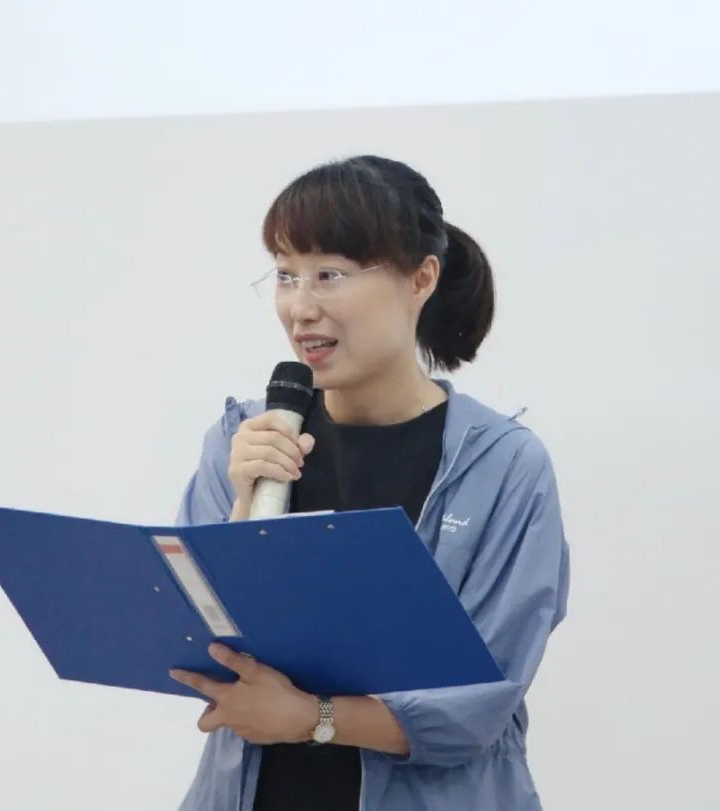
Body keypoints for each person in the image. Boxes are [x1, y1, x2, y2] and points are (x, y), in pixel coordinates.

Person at [169, 155, 570, 810]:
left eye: (329, 275)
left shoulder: (503, 466)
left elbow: (479, 703)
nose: (300, 308)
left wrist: (310, 718)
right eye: (286, 275)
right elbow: (195, 645)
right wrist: (243, 505)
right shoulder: (245, 441)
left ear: (421, 279)